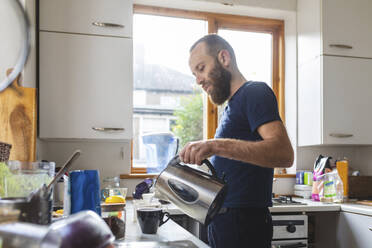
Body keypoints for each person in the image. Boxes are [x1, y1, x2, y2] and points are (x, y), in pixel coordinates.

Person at [179, 34, 294, 248]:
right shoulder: (231, 107)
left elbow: (284, 154)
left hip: (243, 224)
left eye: (201, 68)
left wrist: (214, 145)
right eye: (194, 74)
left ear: (224, 58)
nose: (198, 80)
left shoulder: (254, 92)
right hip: (225, 222)